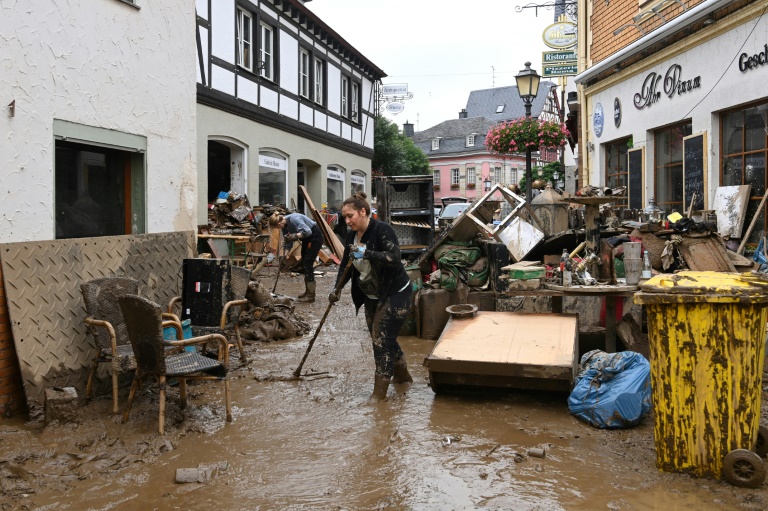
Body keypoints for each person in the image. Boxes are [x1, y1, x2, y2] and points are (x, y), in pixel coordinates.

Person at [328, 192, 413, 402]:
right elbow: (347, 265)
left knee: (381, 340)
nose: (347, 221)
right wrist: (337, 288)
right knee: (382, 336)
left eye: (350, 216)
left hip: (396, 292)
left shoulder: (381, 230)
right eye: (345, 217)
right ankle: (403, 377)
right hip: (371, 294)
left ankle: (378, 395)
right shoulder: (350, 236)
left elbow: (395, 258)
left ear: (363, 212)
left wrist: (366, 253)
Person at [268, 212, 323, 303]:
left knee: (307, 264)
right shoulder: (284, 226)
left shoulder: (294, 219)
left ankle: (311, 296)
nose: (279, 229)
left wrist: (295, 236)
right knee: (304, 264)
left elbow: (308, 231)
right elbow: (288, 242)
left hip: (314, 237)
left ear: (279, 224)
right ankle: (308, 291)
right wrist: (284, 256)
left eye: (278, 227)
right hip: (306, 239)